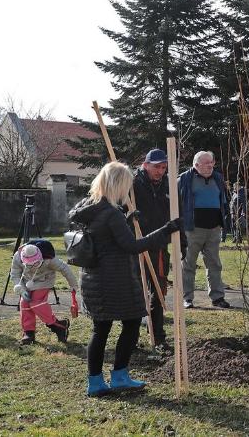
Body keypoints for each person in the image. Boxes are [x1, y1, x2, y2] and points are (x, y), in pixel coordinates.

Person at [69, 161, 182, 397]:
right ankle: (119, 376)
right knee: (131, 324)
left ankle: (96, 382)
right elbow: (131, 246)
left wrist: (127, 221)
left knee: (101, 330)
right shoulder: (111, 213)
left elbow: (106, 236)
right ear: (119, 185)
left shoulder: (89, 206)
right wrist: (166, 230)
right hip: (114, 279)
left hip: (93, 277)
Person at [177, 151, 230, 309]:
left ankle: (217, 297)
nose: (210, 165)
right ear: (196, 164)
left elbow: (223, 201)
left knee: (214, 264)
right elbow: (175, 202)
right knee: (188, 264)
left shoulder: (218, 178)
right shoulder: (184, 179)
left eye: (211, 162)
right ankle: (187, 298)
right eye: (206, 163)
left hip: (214, 229)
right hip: (192, 229)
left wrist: (224, 222)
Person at [132, 149, 171, 351]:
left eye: (164, 167)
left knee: (159, 290)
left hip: (159, 245)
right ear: (145, 164)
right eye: (157, 166)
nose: (160, 171)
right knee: (136, 291)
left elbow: (175, 212)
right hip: (136, 244)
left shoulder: (168, 184)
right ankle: (132, 336)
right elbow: (121, 209)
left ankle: (158, 336)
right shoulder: (133, 184)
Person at [11, 240, 78, 345]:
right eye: (29, 264)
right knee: (24, 304)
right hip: (26, 283)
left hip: (44, 281)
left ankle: (58, 327)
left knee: (36, 302)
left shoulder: (49, 258)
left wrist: (73, 285)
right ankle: (28, 333)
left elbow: (65, 269)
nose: (32, 266)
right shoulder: (17, 256)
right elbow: (15, 274)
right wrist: (21, 289)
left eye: (36, 263)